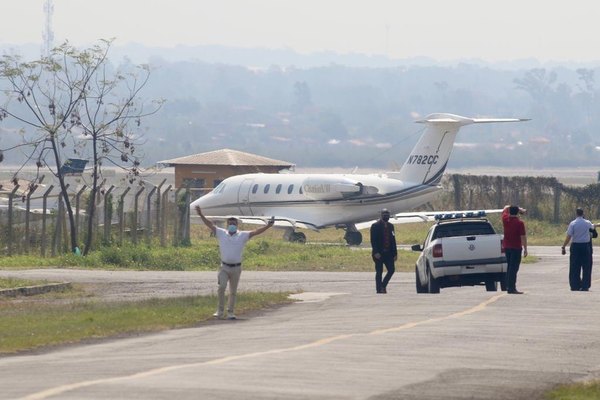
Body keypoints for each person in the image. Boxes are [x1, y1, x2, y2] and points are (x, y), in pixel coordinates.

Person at [196, 206, 274, 319]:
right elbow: (210, 225)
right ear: (227, 225)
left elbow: (256, 232)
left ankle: (230, 312)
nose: (232, 225)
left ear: (237, 225)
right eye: (230, 223)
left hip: (236, 268)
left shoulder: (242, 235)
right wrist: (201, 214)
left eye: (234, 223)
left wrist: (267, 226)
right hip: (224, 267)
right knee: (221, 287)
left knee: (233, 291)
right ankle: (220, 310)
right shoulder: (221, 233)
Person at [561, 208, 596, 291]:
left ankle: (575, 285)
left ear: (576, 214)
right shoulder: (587, 223)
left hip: (576, 246)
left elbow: (569, 236)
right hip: (585, 246)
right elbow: (593, 228)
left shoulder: (573, 223)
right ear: (583, 214)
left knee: (574, 266)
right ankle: (585, 285)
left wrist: (564, 246)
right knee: (586, 266)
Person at [502, 205, 528, 294]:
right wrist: (525, 248)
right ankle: (511, 288)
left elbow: (505, 208)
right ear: (517, 213)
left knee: (509, 267)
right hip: (516, 248)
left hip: (507, 247)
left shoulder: (505, 219)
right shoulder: (519, 223)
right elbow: (523, 237)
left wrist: (519, 209)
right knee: (514, 268)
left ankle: (508, 286)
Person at [370, 208, 397, 294]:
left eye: (387, 215)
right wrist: (376, 252)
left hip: (389, 253)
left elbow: (393, 240)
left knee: (391, 270)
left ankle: (383, 285)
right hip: (379, 253)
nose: (386, 216)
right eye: (384, 214)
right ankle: (379, 289)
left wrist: (395, 253)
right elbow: (373, 240)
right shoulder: (375, 226)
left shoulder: (391, 226)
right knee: (379, 271)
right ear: (381, 215)